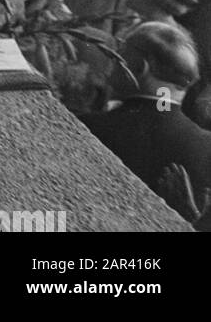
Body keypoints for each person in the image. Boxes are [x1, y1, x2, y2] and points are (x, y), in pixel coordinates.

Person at [83, 23, 211, 202]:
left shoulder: (86, 128)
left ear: (138, 68)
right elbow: (162, 109)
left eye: (120, 51)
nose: (113, 59)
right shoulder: (207, 147)